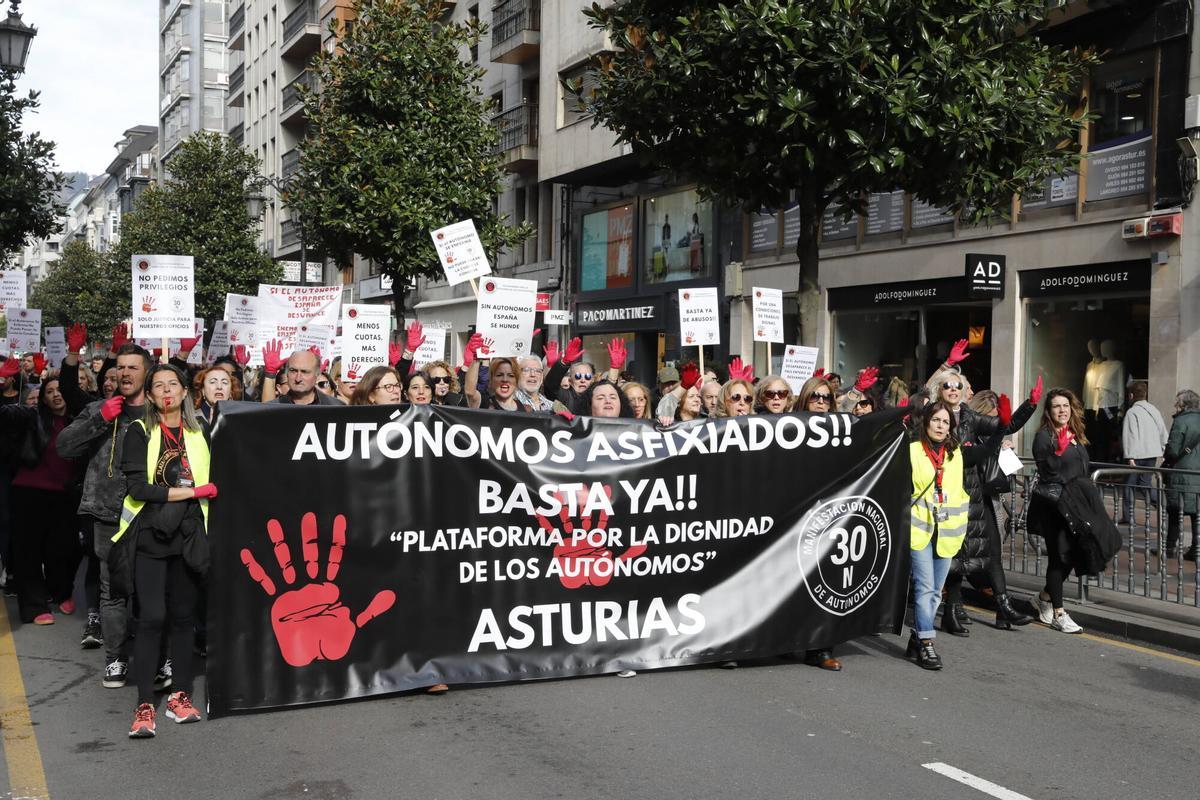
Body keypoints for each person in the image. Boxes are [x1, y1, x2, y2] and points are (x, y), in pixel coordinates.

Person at [116, 364, 214, 737]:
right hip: (151, 538)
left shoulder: (200, 430)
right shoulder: (140, 431)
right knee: (152, 617)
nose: (166, 390)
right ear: (151, 395)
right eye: (158, 385)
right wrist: (192, 491)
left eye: (173, 384)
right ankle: (144, 704)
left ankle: (180, 696)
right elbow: (140, 490)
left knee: (184, 618)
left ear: (186, 392)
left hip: (189, 536)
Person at [57, 343, 155, 689]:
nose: (125, 374)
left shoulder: (161, 411)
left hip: (153, 514)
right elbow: (64, 447)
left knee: (152, 591)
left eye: (133, 368)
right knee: (113, 592)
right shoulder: (100, 409)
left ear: (148, 372)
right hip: (108, 515)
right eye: (121, 368)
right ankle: (115, 659)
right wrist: (100, 420)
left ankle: (155, 658)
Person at [926, 359, 1040, 636]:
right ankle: (951, 610)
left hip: (974, 491)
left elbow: (1006, 424)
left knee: (989, 546)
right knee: (951, 552)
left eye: (958, 386)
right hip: (945, 491)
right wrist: (946, 364)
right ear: (940, 390)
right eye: (947, 385)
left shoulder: (969, 416)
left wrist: (1030, 404)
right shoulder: (933, 415)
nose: (953, 389)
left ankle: (1003, 605)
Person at [0, 374, 81, 625]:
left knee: (64, 549)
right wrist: (6, 380)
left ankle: (61, 592)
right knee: (28, 552)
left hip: (64, 495)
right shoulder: (31, 417)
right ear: (43, 398)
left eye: (60, 390)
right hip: (28, 492)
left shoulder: (80, 421)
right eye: (49, 391)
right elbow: (5, 413)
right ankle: (33, 606)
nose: (56, 394)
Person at [907, 401, 972, 670]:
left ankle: (916, 636)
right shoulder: (910, 450)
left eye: (945, 422)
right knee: (924, 589)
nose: (940, 425)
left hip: (946, 532)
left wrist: (1005, 424)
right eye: (935, 420)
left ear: (950, 428)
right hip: (919, 528)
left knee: (935, 592)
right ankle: (926, 643)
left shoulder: (955, 455)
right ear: (926, 422)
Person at [1028, 389, 1090, 634]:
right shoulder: (1044, 437)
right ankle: (1059, 614)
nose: (1062, 410)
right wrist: (1058, 452)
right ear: (1049, 411)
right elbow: (1048, 473)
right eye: (1056, 406)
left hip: (1076, 505)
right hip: (1054, 507)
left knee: (1072, 557)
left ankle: (1044, 597)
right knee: (1059, 557)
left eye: (1066, 405)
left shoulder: (1075, 434)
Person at [1120, 381, 1167, 525]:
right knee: (1145, 483)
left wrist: (1130, 456)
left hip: (1137, 455)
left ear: (1131, 395)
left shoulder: (1132, 412)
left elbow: (1130, 435)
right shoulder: (1154, 409)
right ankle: (1162, 505)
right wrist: (1162, 448)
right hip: (1152, 454)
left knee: (1129, 486)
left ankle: (1128, 517)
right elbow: (1162, 431)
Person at [1163, 389, 1200, 560]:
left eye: (1177, 403)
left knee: (1175, 510)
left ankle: (1169, 547)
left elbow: (1173, 450)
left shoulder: (1180, 421)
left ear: (1183, 405)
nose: (1175, 406)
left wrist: (1167, 454)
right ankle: (1195, 549)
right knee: (1197, 514)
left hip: (1181, 473)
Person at [264, 348, 344, 406]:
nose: (298, 378)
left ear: (318, 376)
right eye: (293, 371)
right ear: (287, 373)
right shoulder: (273, 408)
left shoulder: (336, 407)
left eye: (305, 372)